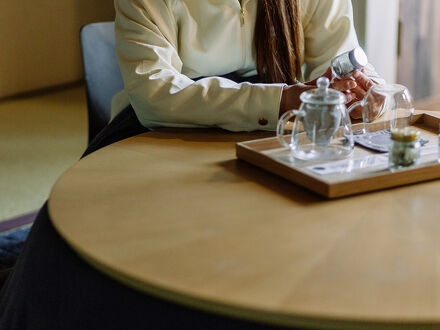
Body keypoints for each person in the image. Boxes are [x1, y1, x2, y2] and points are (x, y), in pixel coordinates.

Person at [0, 0, 383, 329]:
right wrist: (278, 101)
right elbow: (155, 93)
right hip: (166, 127)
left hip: (276, 130)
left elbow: (343, 61)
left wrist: (365, 93)